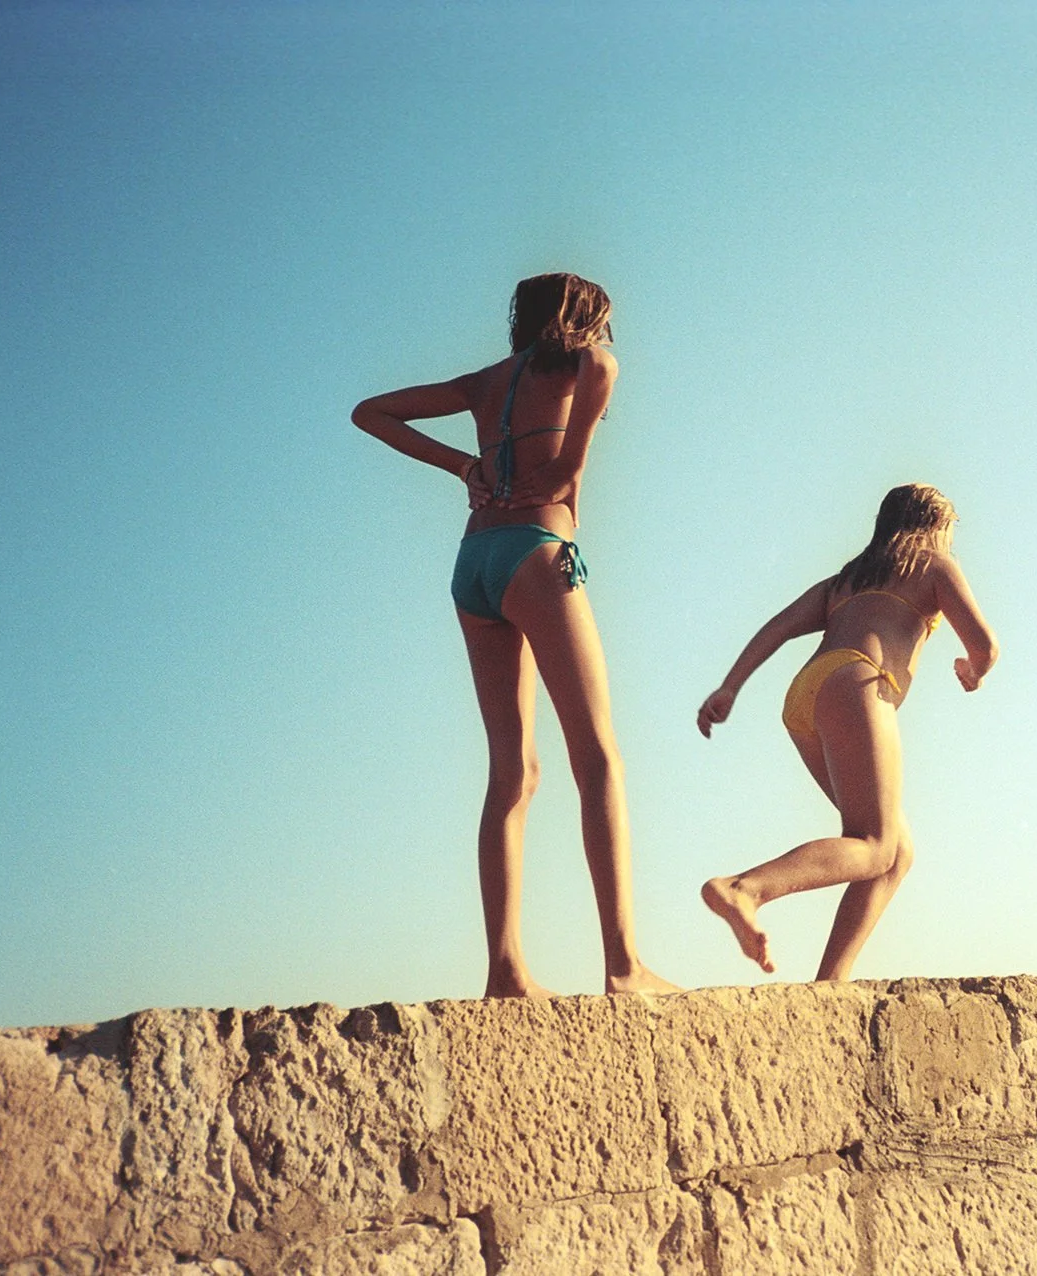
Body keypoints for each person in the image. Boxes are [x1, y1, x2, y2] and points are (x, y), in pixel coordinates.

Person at [352, 271, 676, 997]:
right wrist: (567, 480)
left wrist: (462, 465)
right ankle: (624, 965)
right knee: (598, 757)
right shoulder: (592, 364)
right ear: (585, 317)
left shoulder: (485, 381)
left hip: (475, 564)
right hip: (537, 553)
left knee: (513, 772)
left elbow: (369, 412)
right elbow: (572, 459)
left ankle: (504, 969)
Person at [695, 483, 998, 980]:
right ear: (934, 528)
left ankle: (832, 980)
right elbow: (985, 645)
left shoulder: (845, 582)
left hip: (806, 698)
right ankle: (744, 889)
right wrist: (974, 669)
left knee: (893, 851)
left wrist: (731, 686)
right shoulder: (933, 565)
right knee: (876, 844)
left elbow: (778, 626)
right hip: (859, 682)